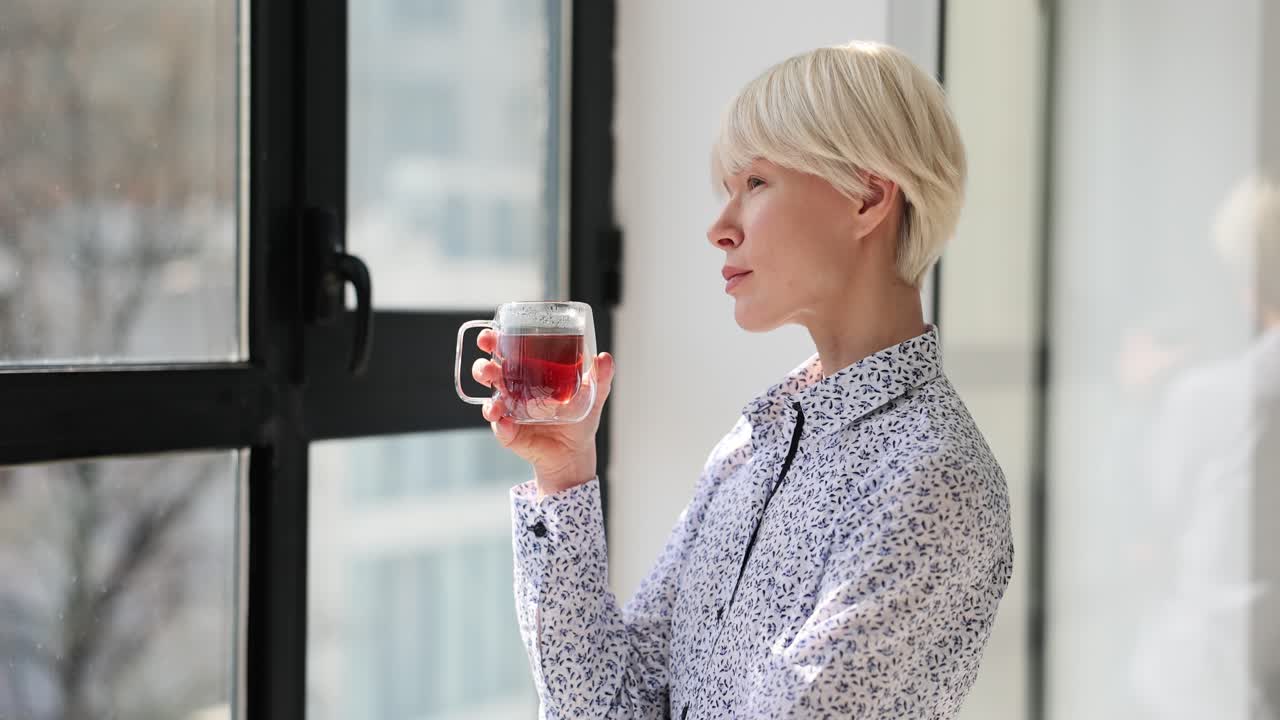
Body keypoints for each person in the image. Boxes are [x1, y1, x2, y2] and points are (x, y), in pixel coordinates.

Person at [470, 40, 1013, 719]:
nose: (719, 229)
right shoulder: (754, 443)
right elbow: (611, 707)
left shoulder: (931, 479)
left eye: (755, 183)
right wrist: (565, 476)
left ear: (869, 197)